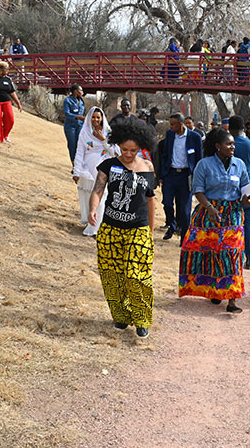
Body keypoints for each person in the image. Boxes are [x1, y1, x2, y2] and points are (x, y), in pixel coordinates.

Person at [88, 118, 157, 339]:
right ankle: (120, 316)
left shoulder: (147, 167)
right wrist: (93, 209)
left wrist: (151, 231)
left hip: (138, 229)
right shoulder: (109, 165)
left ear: (140, 147)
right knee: (112, 275)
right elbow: (97, 190)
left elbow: (151, 200)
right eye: (124, 149)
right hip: (110, 229)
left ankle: (142, 320)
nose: (128, 154)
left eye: (133, 150)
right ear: (118, 144)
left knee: (136, 275)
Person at [179, 127, 250, 313]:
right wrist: (210, 208)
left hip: (233, 214)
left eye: (233, 144)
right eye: (228, 144)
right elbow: (198, 190)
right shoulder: (204, 164)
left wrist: (247, 199)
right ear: (218, 146)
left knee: (232, 254)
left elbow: (245, 188)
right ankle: (215, 290)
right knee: (210, 254)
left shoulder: (240, 165)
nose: (232, 147)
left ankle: (232, 300)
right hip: (208, 212)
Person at [73, 107, 118, 236]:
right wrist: (76, 171)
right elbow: (80, 152)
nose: (95, 120)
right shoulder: (84, 132)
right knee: (89, 197)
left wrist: (103, 139)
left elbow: (115, 152)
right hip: (87, 170)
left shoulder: (108, 132)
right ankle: (90, 221)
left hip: (103, 170)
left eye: (98, 117)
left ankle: (96, 228)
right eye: (93, 117)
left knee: (101, 197)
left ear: (102, 118)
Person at [159, 113, 203, 242]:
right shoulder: (170, 134)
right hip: (170, 175)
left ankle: (184, 238)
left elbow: (198, 158)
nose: (170, 127)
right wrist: (163, 173)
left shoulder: (195, 137)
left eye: (173, 124)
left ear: (181, 124)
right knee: (167, 203)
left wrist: (197, 178)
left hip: (185, 176)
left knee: (185, 209)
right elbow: (165, 154)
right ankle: (172, 226)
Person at [229, 115, 250, 268]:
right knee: (247, 223)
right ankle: (249, 256)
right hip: (246, 188)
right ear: (243, 127)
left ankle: (232, 254)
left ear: (229, 128)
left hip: (229, 188)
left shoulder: (226, 144)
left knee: (230, 223)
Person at [63, 84, 86, 163]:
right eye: (81, 90)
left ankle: (80, 163)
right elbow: (67, 113)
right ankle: (74, 163)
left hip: (80, 126)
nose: (82, 92)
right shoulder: (67, 100)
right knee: (72, 145)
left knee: (80, 144)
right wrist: (77, 117)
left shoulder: (81, 101)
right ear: (75, 91)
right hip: (70, 127)